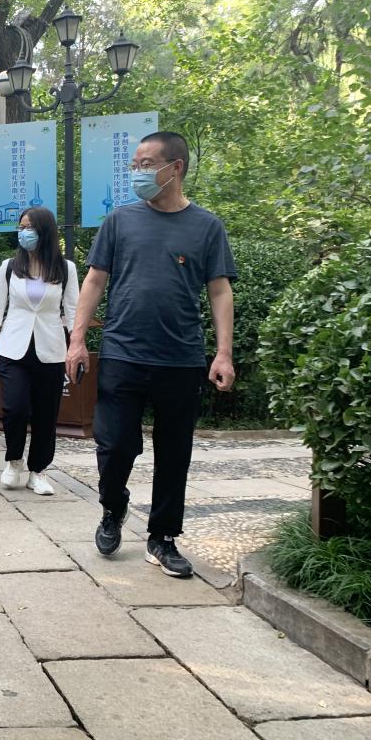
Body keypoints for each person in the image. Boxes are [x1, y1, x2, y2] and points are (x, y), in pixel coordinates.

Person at [66, 131, 236, 578]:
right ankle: (113, 505)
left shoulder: (207, 227)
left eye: (146, 164)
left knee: (174, 452)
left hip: (181, 359)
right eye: (135, 165)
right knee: (115, 443)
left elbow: (220, 290)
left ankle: (162, 537)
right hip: (123, 353)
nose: (137, 172)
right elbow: (94, 281)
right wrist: (77, 340)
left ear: (174, 168)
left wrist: (223, 353)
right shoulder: (119, 221)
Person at [0, 207, 79, 496]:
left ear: (44, 231)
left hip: (51, 349)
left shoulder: (66, 269)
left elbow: (73, 313)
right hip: (12, 348)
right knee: (15, 407)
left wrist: (76, 347)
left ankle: (39, 471)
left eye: (29, 228)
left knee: (46, 414)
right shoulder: (9, 267)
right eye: (21, 227)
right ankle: (14, 461)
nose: (23, 233)